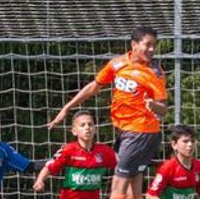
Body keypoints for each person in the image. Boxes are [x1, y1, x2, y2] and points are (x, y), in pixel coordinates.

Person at [48, 27, 167, 199]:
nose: (151, 50)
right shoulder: (117, 63)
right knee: (132, 192)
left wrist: (153, 105)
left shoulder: (154, 72)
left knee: (117, 190)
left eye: (154, 46)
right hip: (128, 132)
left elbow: (163, 109)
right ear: (133, 44)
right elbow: (94, 87)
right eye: (147, 45)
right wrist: (67, 107)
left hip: (140, 132)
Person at [32, 110, 115, 199]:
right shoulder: (68, 150)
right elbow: (49, 167)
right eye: (82, 125)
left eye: (90, 124)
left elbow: (122, 167)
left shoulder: (105, 151)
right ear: (74, 131)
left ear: (95, 129)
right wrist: (40, 180)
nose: (87, 128)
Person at [144, 126, 200, 199]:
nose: (190, 144)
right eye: (185, 141)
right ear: (174, 145)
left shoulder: (198, 166)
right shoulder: (167, 167)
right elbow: (150, 196)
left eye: (192, 141)